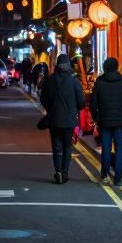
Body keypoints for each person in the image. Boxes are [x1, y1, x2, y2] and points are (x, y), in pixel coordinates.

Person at [39, 53, 86, 184]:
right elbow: (81, 102)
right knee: (67, 147)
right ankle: (65, 172)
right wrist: (73, 108)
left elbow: (43, 99)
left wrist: (50, 109)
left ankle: (58, 172)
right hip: (69, 120)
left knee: (56, 147)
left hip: (54, 119)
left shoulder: (50, 80)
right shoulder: (74, 80)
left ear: (56, 65)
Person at [89, 57, 122, 186]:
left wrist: (96, 116)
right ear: (117, 67)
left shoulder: (99, 82)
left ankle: (104, 175)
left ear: (104, 67)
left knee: (106, 148)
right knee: (120, 148)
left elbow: (93, 103)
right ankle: (118, 178)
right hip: (120, 121)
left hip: (104, 120)